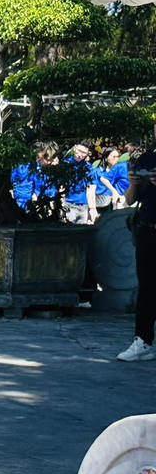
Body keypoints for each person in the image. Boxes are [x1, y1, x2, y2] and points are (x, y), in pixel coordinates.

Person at [118, 127, 156, 362]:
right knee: (147, 288)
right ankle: (142, 340)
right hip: (148, 230)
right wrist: (133, 183)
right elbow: (131, 199)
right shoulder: (148, 157)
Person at [63, 144, 97, 224]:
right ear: (75, 148)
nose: (80, 155)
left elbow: (91, 189)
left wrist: (92, 209)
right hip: (69, 204)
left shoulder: (89, 168)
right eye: (79, 151)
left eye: (84, 153)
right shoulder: (65, 164)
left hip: (83, 205)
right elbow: (61, 186)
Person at [94, 146, 127, 212]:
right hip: (99, 202)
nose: (116, 159)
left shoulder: (119, 170)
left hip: (114, 202)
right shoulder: (97, 171)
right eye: (114, 157)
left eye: (118, 157)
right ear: (106, 158)